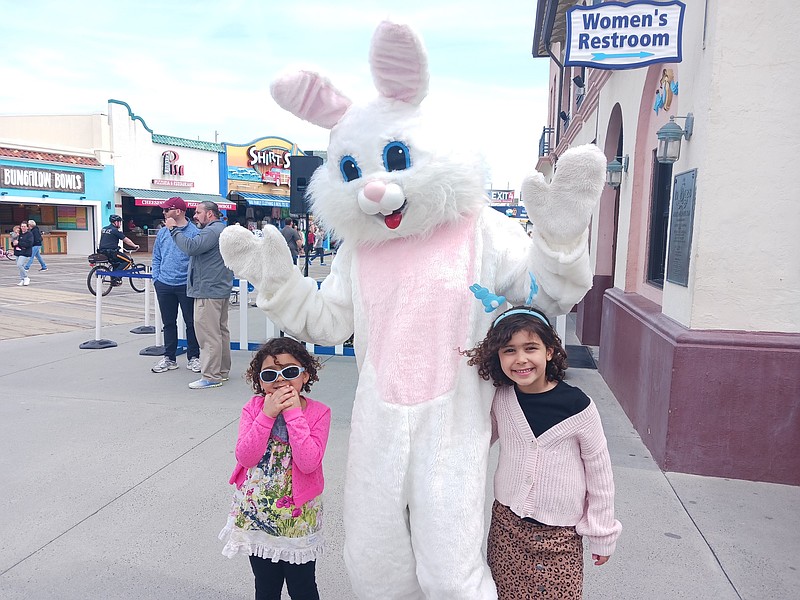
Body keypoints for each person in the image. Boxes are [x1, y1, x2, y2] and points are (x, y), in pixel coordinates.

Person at [464, 306, 622, 599]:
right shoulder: (501, 399)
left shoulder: (579, 407)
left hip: (560, 538)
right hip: (507, 530)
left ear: (549, 352)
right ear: (498, 357)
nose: (520, 359)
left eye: (530, 348)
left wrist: (601, 533)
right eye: (509, 350)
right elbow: (477, 440)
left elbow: (600, 477)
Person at [219, 337, 330, 600]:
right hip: (258, 513)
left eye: (290, 372)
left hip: (298, 517)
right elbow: (246, 457)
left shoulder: (319, 413)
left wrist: (293, 413)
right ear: (259, 381)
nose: (280, 380)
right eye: (270, 374)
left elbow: (308, 462)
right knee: (265, 586)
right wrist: (266, 415)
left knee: (303, 587)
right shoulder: (253, 408)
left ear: (305, 375)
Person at [166, 200, 233, 390]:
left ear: (209, 214)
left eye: (198, 212)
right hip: (218, 289)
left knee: (208, 334)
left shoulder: (212, 231)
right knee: (220, 332)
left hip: (208, 290)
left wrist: (173, 230)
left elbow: (191, 247)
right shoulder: (221, 229)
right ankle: (221, 371)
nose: (194, 216)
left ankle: (211, 376)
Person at [150, 197, 201, 375]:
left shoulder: (194, 232)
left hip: (185, 285)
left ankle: (194, 357)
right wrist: (156, 278)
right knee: (168, 323)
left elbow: (197, 257)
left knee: (191, 322)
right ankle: (169, 357)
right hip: (164, 283)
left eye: (167, 210)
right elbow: (156, 256)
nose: (163, 213)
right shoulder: (162, 232)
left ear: (178, 211)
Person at [98, 215, 139, 283]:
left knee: (116, 264)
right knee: (128, 261)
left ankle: (114, 280)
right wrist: (134, 246)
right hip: (112, 253)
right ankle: (117, 276)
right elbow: (126, 240)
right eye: (120, 222)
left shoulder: (104, 229)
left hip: (102, 252)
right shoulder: (115, 230)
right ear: (115, 222)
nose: (120, 224)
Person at [13, 221, 33, 286]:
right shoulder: (19, 234)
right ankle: (22, 279)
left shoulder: (29, 234)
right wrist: (14, 243)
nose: (23, 228)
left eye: (24, 226)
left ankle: (26, 277)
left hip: (25, 252)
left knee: (19, 264)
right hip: (18, 252)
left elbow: (29, 244)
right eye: (22, 226)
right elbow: (14, 241)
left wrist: (19, 243)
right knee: (20, 267)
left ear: (27, 227)